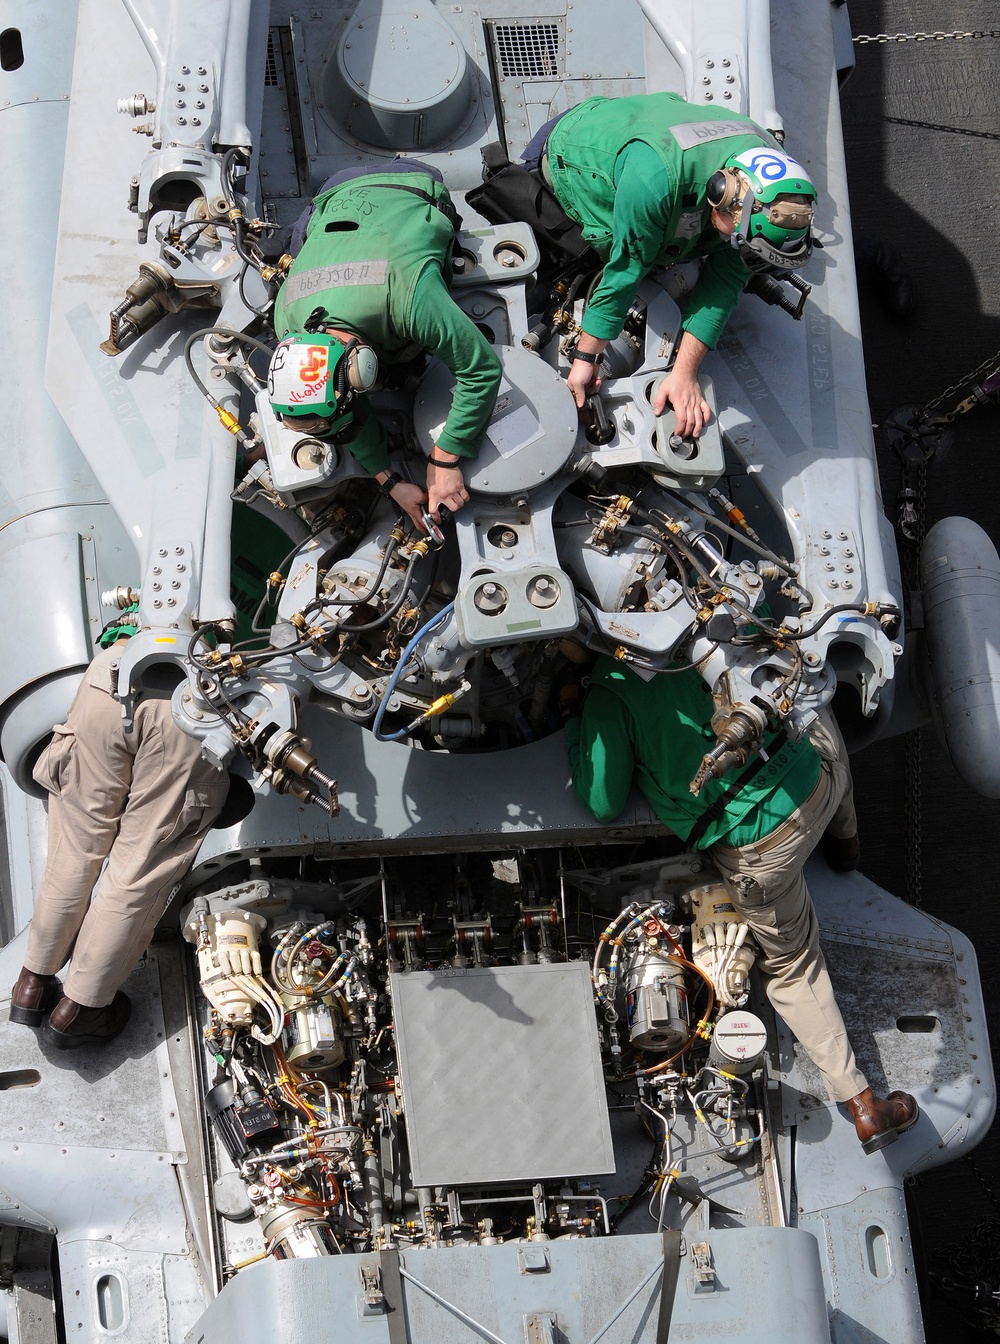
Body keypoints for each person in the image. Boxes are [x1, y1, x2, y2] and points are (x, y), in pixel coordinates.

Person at [564, 655, 919, 1154]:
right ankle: (847, 844)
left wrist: (576, 720)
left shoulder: (610, 695)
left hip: (764, 852)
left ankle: (864, 1108)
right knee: (816, 718)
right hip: (815, 782)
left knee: (794, 967)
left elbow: (602, 802)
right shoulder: (697, 627)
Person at [520, 92, 816, 436]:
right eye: (740, 238)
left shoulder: (769, 179)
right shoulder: (656, 181)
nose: (741, 250)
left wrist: (684, 373)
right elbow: (626, 269)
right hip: (573, 149)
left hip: (644, 131)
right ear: (722, 197)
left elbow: (728, 278)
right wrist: (586, 359)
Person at [9, 612, 227, 1049]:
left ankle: (31, 986)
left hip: (112, 674)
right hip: (187, 702)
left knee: (73, 851)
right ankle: (81, 1010)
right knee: (135, 871)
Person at [270, 160, 503, 530]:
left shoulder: (409, 300)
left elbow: (482, 370)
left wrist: (444, 459)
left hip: (410, 180)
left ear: (363, 370)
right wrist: (388, 480)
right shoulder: (286, 320)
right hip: (335, 191)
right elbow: (344, 419)